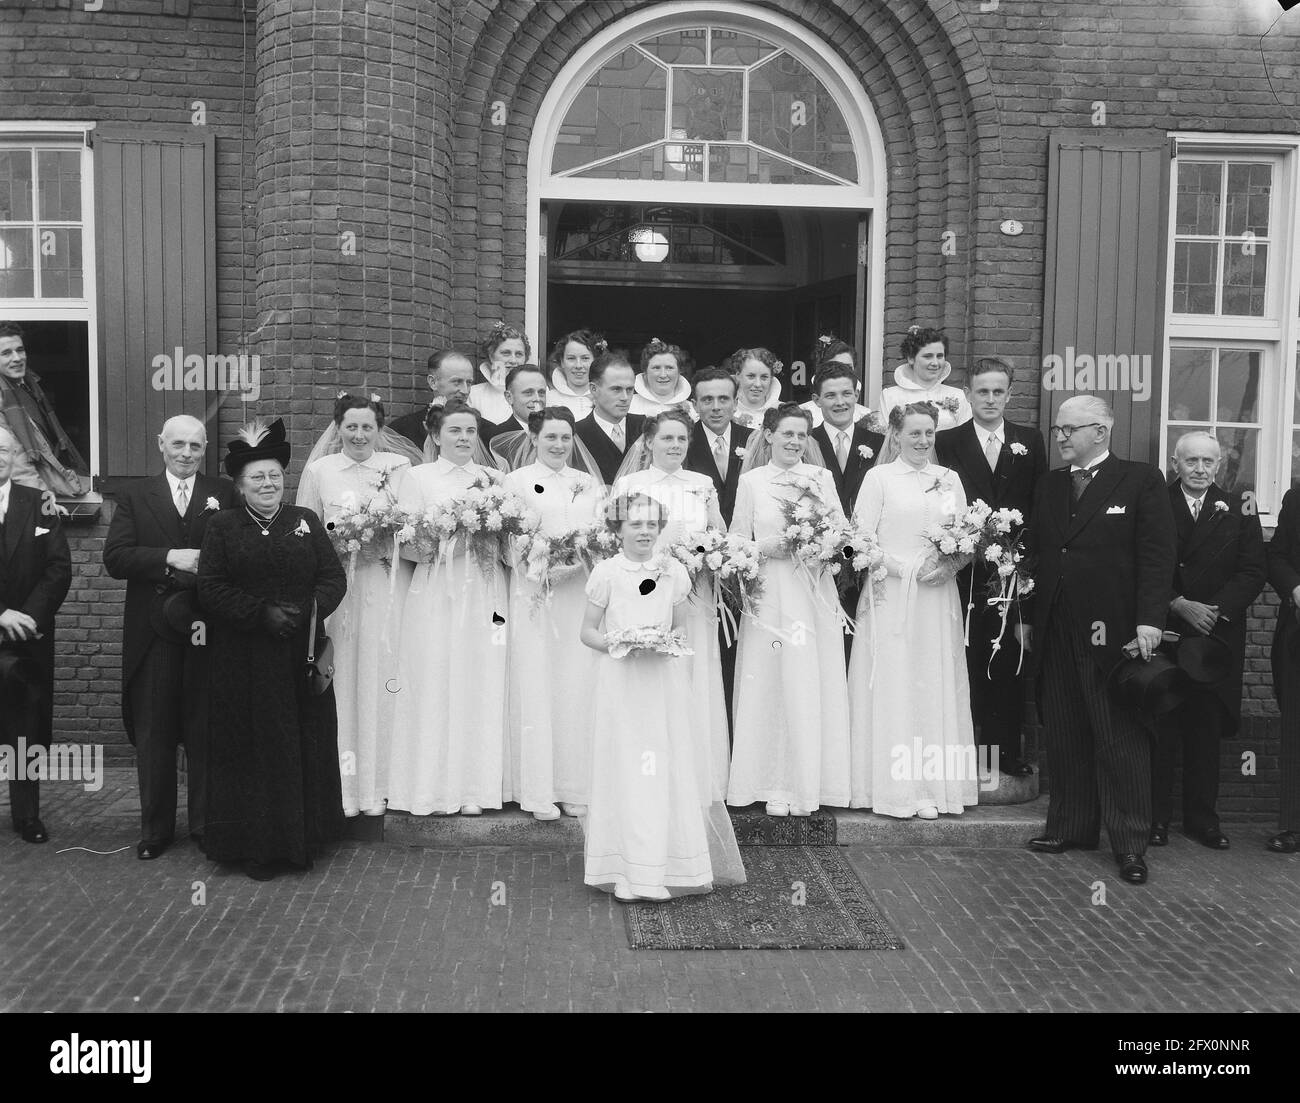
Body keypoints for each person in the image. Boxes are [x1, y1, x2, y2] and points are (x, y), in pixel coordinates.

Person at [1023, 396, 1176, 885]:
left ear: (1101, 431)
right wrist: (1028, 620)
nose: (1061, 437)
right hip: (1057, 627)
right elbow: (1039, 556)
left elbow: (1157, 555)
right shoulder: (1048, 485)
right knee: (1066, 731)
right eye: (1058, 429)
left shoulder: (1139, 479)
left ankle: (1131, 843)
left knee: (1119, 738)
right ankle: (1071, 827)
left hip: (1114, 635)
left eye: (1070, 430)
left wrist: (1150, 620)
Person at [198, 418, 348, 881]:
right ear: (240, 486)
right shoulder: (223, 526)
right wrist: (260, 613)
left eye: (274, 477)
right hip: (244, 661)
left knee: (301, 743)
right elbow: (210, 587)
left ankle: (300, 842)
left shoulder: (303, 521)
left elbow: (333, 578)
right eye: (257, 478)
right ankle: (257, 847)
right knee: (257, 750)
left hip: (299, 658)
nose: (268, 484)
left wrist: (305, 613)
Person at [579, 492, 745, 901]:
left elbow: (682, 630)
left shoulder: (674, 572)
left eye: (651, 524)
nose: (644, 531)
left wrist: (663, 644)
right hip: (620, 683)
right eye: (635, 524)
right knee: (626, 769)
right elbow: (587, 632)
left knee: (663, 768)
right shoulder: (606, 573)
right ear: (618, 529)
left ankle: (668, 866)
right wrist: (621, 644)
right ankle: (626, 871)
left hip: (662, 685)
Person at [103, 414, 236, 859]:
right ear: (161, 444)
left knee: (205, 729)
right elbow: (117, 558)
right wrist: (170, 557)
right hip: (154, 631)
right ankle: (155, 831)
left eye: (195, 447)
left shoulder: (222, 493)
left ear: (204, 450)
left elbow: (236, 551)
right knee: (155, 732)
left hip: (205, 627)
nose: (186, 454)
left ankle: (203, 825)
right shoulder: (135, 495)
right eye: (177, 444)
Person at [848, 403, 978, 818]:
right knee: (895, 679)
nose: (923, 442)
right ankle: (890, 789)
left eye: (929, 434)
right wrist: (906, 568)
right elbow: (859, 540)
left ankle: (933, 787)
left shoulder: (948, 478)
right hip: (891, 592)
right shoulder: (879, 478)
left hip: (937, 595)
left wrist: (950, 565)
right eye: (914, 433)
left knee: (932, 678)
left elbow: (966, 535)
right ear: (896, 434)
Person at [727, 404, 850, 816]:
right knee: (771, 678)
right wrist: (767, 548)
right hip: (771, 593)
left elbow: (842, 533)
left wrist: (821, 546)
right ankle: (768, 780)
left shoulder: (820, 478)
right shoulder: (752, 482)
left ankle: (811, 782)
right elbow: (737, 540)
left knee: (809, 678)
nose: (794, 442)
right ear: (768, 436)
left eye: (801, 436)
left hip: (812, 590)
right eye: (786, 435)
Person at [388, 399, 509, 816]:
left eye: (470, 432)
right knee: (437, 676)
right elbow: (404, 545)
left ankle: (477, 787)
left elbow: (508, 541)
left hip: (486, 590)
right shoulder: (417, 478)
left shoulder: (494, 478)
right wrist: (447, 540)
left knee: (482, 676)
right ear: (436, 435)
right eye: (454, 431)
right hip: (438, 589)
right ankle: (434, 787)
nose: (463, 439)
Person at [296, 394, 414, 819]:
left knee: (386, 674)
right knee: (344, 678)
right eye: (351, 426)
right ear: (338, 428)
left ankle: (385, 784)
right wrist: (342, 544)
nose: (360, 435)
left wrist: (387, 534)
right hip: (340, 591)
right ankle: (344, 789)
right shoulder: (320, 471)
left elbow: (414, 526)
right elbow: (305, 533)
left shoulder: (399, 470)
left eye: (367, 427)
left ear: (379, 429)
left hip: (386, 583)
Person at [1149, 431, 1264, 851]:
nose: (1200, 470)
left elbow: (1253, 570)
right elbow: (1139, 565)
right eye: (1191, 461)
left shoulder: (1239, 508)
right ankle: (1155, 820)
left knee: (1205, 730)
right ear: (1175, 463)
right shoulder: (1156, 502)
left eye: (1208, 462)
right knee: (1161, 730)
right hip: (1167, 630)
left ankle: (1202, 820)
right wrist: (1178, 604)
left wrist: (1211, 612)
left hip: (1215, 638)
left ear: (1219, 466)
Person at [934, 358, 1046, 778]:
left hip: (1013, 572)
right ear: (968, 395)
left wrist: (1023, 560)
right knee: (967, 656)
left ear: (1010, 394)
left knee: (1008, 659)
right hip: (964, 569)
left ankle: (1002, 755)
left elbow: (1037, 506)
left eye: (999, 391)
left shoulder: (1029, 440)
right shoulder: (948, 441)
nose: (991, 399)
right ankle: (965, 752)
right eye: (983, 391)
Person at [612, 409, 730, 799]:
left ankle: (695, 775)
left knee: (693, 671)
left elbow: (718, 535)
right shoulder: (631, 483)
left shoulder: (702, 483)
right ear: (649, 441)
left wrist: (704, 554)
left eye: (681, 439)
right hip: (645, 593)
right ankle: (645, 771)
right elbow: (614, 540)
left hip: (695, 596)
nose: (675, 446)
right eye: (667, 438)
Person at [503, 407, 604, 821]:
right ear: (533, 436)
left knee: (576, 685)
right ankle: (538, 790)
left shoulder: (588, 483)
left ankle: (575, 786)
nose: (559, 445)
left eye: (565, 437)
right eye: (550, 438)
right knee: (539, 681)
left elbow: (602, 536)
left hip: (578, 593)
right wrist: (543, 565)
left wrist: (582, 560)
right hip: (536, 595)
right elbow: (509, 544)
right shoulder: (516, 482)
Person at [0, 424, 71, 843]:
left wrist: (27, 616)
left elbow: (58, 568)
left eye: (5, 451)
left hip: (29, 635)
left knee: (24, 728)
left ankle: (27, 816)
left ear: (14, 457)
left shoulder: (40, 502)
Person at [0, 321, 88, 498]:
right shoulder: (3, 398)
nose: (17, 358)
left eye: (20, 350)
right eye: (6, 353)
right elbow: (19, 467)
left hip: (53, 481)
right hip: (32, 495)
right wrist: (44, 506)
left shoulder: (29, 385)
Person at [1264, 486, 1300, 854]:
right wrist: (1295, 587)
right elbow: (1275, 556)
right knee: (1296, 732)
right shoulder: (1297, 497)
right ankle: (1293, 826)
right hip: (1298, 634)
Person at [809, 363, 884, 517]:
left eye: (846, 393)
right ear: (817, 400)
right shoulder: (807, 443)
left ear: (856, 395)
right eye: (831, 395)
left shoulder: (879, 443)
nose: (840, 402)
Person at [684, 367, 752, 527]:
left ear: (735, 403)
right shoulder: (683, 442)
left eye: (723, 399)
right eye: (707, 399)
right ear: (695, 405)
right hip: (698, 538)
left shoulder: (752, 439)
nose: (716, 407)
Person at [879, 325, 972, 431]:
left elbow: (966, 438)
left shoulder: (958, 396)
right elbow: (885, 439)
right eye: (928, 356)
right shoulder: (890, 396)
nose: (935, 363)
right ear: (911, 358)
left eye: (940, 356)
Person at [575, 351, 646, 486]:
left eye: (630, 390)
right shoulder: (575, 433)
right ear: (593, 389)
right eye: (616, 389)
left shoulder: (647, 428)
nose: (625, 397)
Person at [390, 349, 476, 451]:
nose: (465, 391)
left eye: (469, 382)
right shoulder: (401, 431)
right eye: (457, 382)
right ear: (433, 382)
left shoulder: (486, 430)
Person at [485, 363, 550, 466]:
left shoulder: (559, 434)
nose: (537, 399)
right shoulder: (494, 438)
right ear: (509, 397)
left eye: (541, 392)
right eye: (528, 393)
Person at [800, 337, 871, 428]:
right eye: (834, 367)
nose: (841, 372)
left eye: (848, 368)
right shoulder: (801, 414)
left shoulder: (866, 415)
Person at [468, 322, 530, 425]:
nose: (513, 360)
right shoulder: (474, 395)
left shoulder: (538, 393)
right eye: (506, 353)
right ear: (491, 355)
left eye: (519, 354)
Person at [546, 329, 605, 418]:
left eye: (585, 358)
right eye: (571, 358)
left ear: (595, 361)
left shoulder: (607, 397)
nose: (578, 365)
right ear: (562, 362)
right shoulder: (548, 399)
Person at [630, 338, 693, 416]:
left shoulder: (694, 411)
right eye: (656, 368)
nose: (663, 375)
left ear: (679, 371)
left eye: (669, 368)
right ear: (645, 371)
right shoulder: (628, 406)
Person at [726, 347, 783, 428]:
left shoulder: (784, 412)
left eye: (764, 377)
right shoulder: (723, 410)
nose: (757, 384)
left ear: (771, 379)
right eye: (751, 376)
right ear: (738, 375)